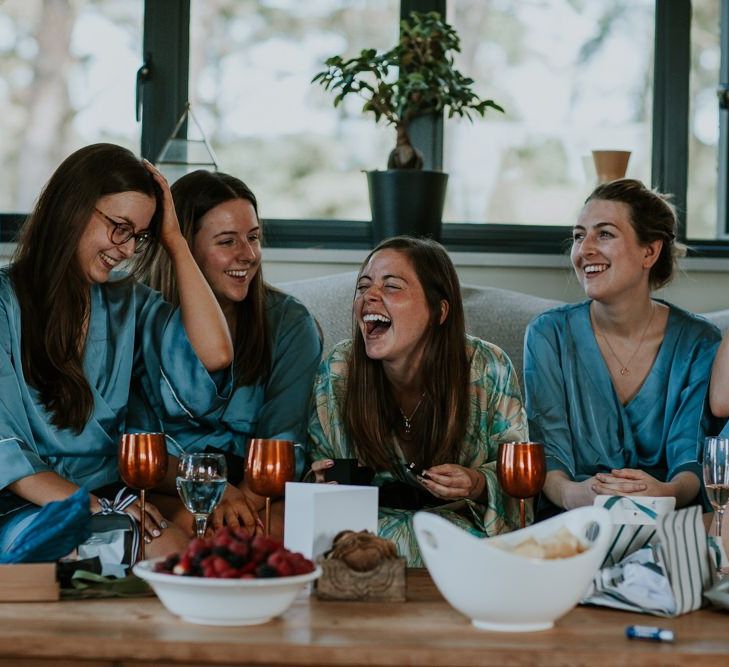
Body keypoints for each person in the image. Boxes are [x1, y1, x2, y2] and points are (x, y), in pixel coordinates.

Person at [0, 143, 234, 557]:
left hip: (104, 489)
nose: (126, 250)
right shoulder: (4, 302)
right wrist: (93, 508)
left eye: (139, 237)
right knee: (76, 546)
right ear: (72, 209)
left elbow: (214, 354)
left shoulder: (128, 302)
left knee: (174, 554)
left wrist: (175, 241)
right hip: (21, 495)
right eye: (119, 227)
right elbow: (5, 450)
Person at [307, 236, 527, 566]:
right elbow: (318, 473)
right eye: (363, 286)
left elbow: (521, 480)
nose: (370, 296)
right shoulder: (340, 369)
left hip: (461, 542)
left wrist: (477, 482)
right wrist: (317, 480)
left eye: (391, 286)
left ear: (439, 311)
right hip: (363, 543)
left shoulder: (488, 367)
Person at [524, 179, 721, 517]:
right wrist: (579, 496)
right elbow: (549, 455)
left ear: (650, 251)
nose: (584, 249)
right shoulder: (548, 335)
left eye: (604, 234)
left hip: (666, 521)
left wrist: (665, 493)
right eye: (578, 236)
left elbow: (690, 457)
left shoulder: (698, 342)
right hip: (574, 522)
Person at [143, 170, 322, 537]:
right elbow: (135, 446)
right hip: (171, 485)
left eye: (253, 237)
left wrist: (237, 506)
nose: (248, 254)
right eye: (227, 242)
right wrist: (209, 489)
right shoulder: (141, 318)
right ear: (184, 247)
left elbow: (285, 440)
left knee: (275, 532)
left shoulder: (289, 322)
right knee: (185, 532)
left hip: (257, 492)